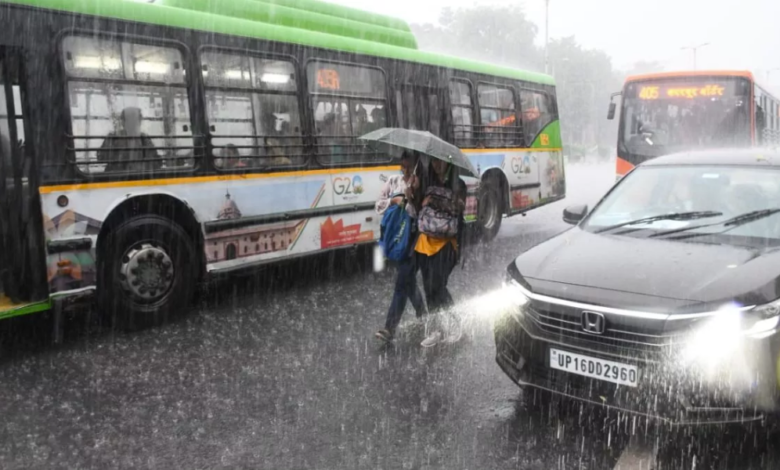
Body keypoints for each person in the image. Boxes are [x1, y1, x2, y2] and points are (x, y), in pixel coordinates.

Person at [374, 151, 426, 343]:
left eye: (408, 162)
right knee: (408, 282)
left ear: (415, 163)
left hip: (412, 239)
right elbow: (378, 205)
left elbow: (421, 213)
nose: (404, 166)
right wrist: (393, 201)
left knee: (401, 283)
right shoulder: (393, 181)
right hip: (395, 237)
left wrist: (413, 196)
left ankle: (389, 329)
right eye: (402, 162)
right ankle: (423, 313)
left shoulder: (419, 183)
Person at [416, 158, 466, 348]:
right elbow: (418, 205)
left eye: (440, 162)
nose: (436, 165)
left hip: (447, 244)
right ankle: (437, 330)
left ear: (449, 164)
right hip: (425, 242)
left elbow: (458, 209)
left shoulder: (458, 184)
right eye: (434, 162)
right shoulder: (427, 180)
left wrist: (443, 200)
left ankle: (456, 323)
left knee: (438, 285)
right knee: (428, 287)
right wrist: (413, 191)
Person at [98, 107, 160, 173]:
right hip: (117, 178)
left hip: (137, 178)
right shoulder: (114, 137)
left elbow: (156, 162)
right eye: (132, 120)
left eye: (137, 120)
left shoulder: (144, 139)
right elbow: (101, 157)